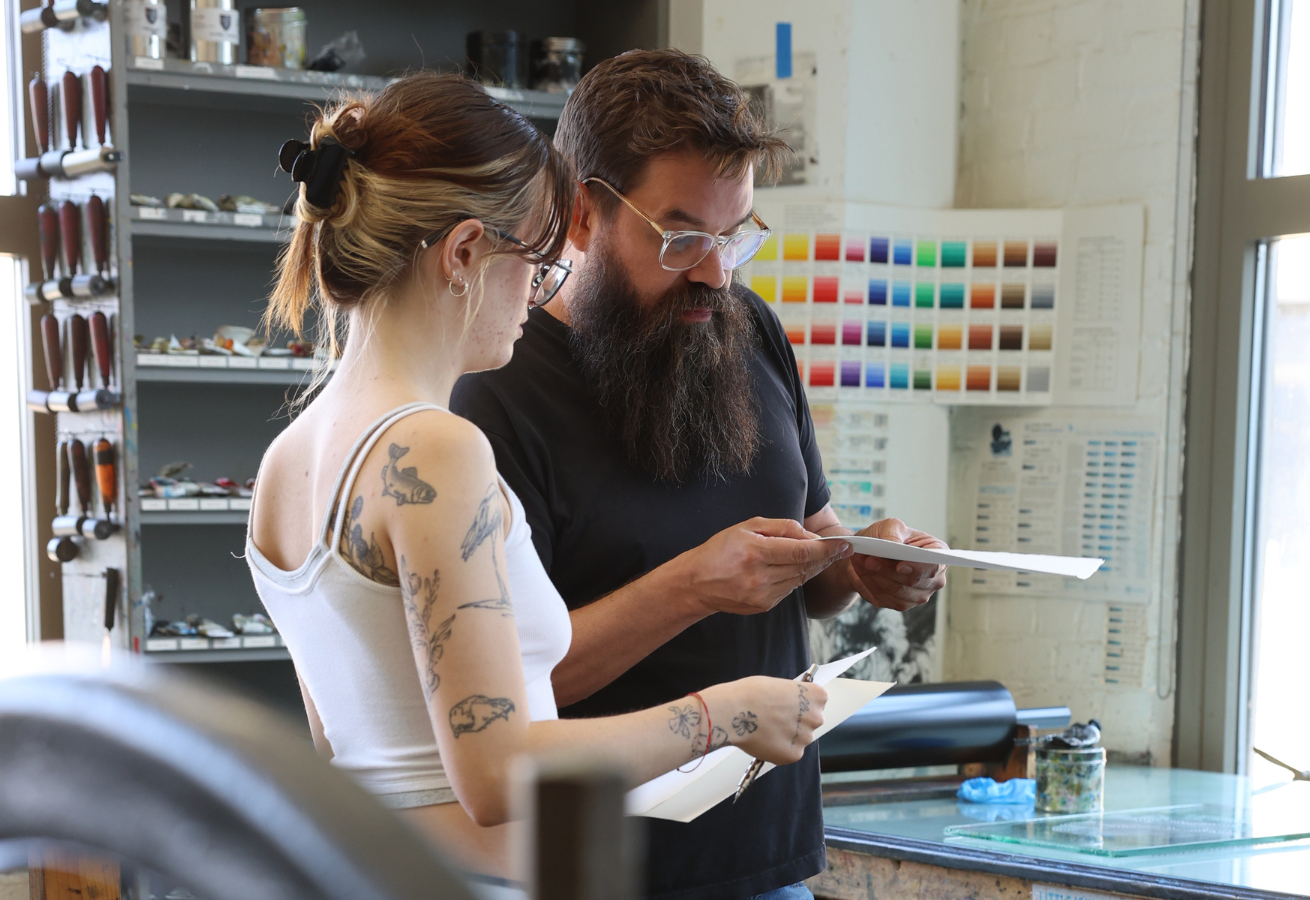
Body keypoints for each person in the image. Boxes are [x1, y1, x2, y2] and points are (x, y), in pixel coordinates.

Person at [244, 74, 830, 898]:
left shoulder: (288, 461)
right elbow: (496, 772)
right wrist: (725, 714)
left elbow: (346, 752)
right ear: (463, 254)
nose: (542, 289)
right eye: (534, 261)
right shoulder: (436, 451)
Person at [451, 50, 950, 900]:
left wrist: (861, 562)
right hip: (596, 872)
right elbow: (506, 693)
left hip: (770, 851)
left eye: (737, 234)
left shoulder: (749, 328)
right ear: (582, 213)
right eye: (683, 238)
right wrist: (690, 587)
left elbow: (810, 552)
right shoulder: (496, 393)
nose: (718, 272)